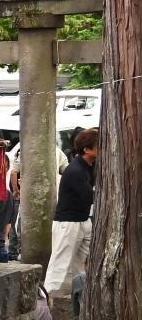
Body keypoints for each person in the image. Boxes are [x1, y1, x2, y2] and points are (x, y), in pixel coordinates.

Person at [47, 126, 96, 301]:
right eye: (99, 146)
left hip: (83, 220)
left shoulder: (91, 166)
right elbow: (90, 196)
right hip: (67, 223)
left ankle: (79, 299)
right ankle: (47, 302)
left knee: (81, 265)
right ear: (87, 149)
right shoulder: (75, 170)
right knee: (60, 264)